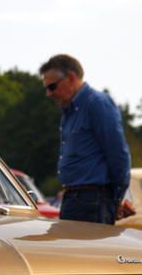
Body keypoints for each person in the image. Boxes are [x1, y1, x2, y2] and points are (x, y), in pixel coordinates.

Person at [40, 54, 131, 224]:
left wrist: (116, 198)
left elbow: (118, 154)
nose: (49, 93)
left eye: (52, 87)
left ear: (71, 78)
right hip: (76, 198)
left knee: (88, 250)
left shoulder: (97, 103)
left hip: (92, 201)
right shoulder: (69, 111)